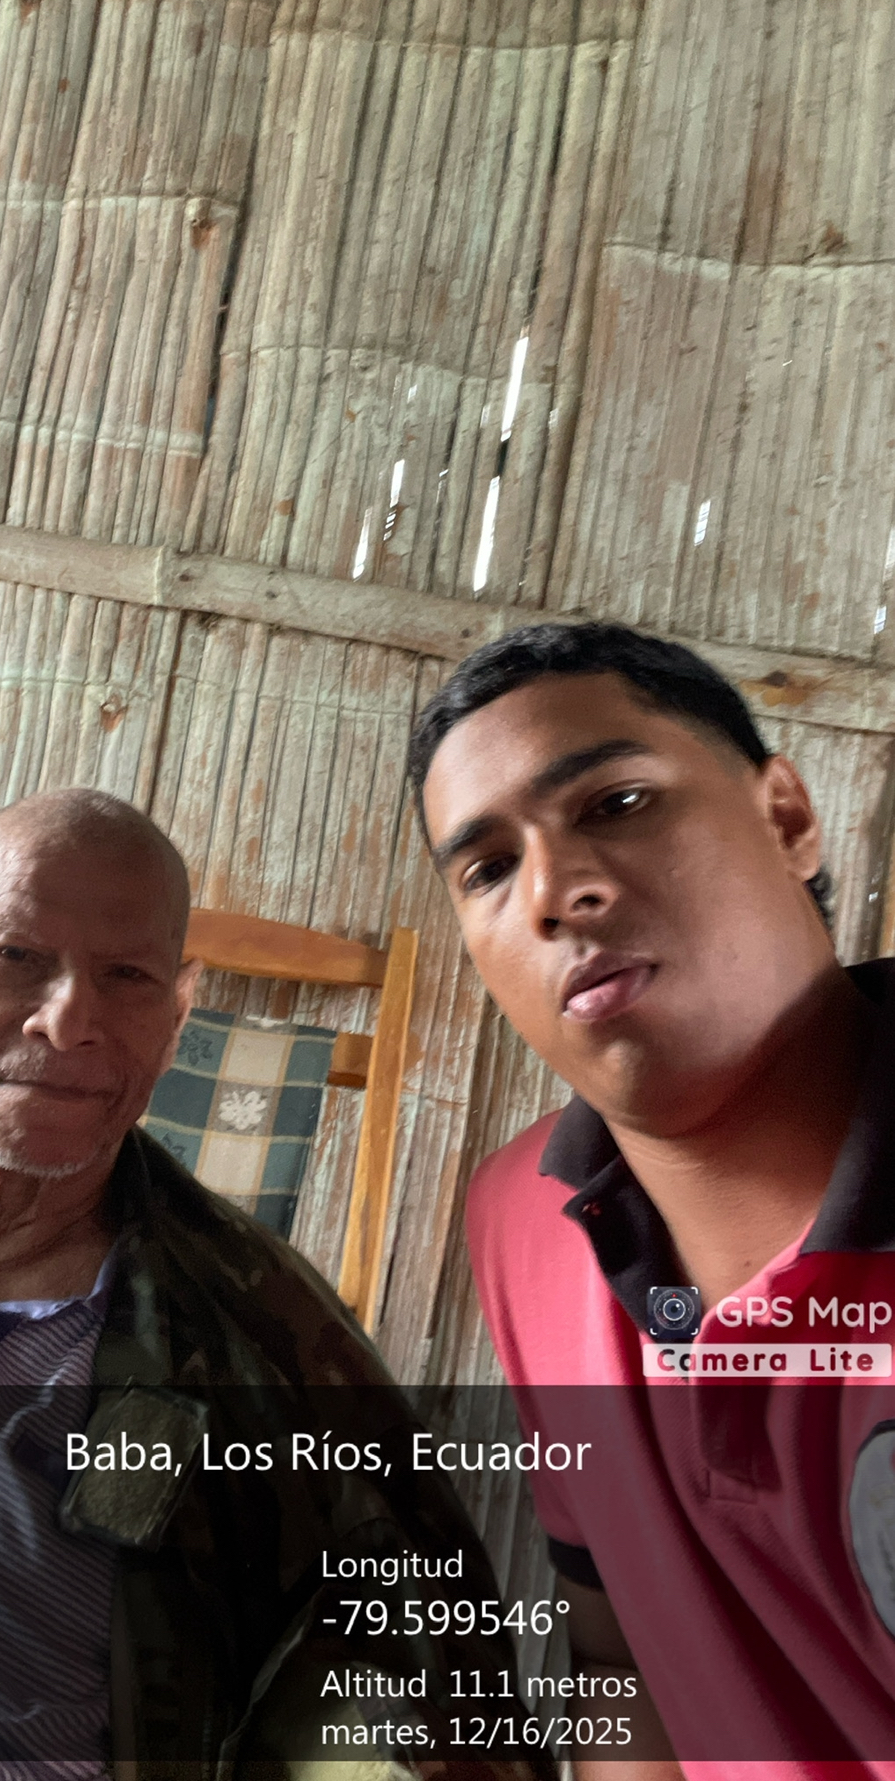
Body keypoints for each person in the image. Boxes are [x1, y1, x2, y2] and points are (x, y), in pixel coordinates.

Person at [0, 789, 539, 1781]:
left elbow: (437, 1673)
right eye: (13, 956)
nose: (68, 1020)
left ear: (175, 1017)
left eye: (126, 977)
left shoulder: (258, 1340)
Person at [409, 622, 895, 1781]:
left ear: (788, 818)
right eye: (488, 869)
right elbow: (618, 1654)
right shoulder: (520, 1223)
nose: (553, 892)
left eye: (618, 804)